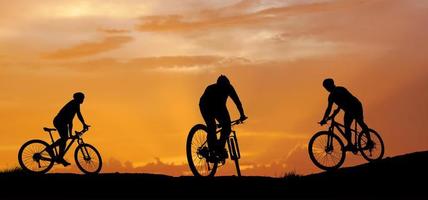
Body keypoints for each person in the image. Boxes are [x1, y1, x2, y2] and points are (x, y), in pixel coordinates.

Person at [199, 75, 247, 162]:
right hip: (205, 105)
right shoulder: (211, 89)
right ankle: (212, 151)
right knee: (212, 126)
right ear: (218, 85)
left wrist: (242, 114)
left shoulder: (229, 88)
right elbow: (209, 108)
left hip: (220, 107)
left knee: (227, 127)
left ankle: (219, 148)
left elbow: (237, 101)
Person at [319, 78, 370, 151]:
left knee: (360, 122)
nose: (326, 89)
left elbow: (344, 101)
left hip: (355, 106)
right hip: (348, 110)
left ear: (331, 85)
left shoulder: (340, 89)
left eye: (327, 87)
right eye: (325, 87)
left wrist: (333, 114)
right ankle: (350, 144)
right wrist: (324, 119)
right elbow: (329, 108)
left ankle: (369, 141)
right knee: (347, 126)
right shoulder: (331, 96)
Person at [53, 92, 89, 166]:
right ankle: (50, 148)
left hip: (62, 122)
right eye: (82, 98)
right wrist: (71, 134)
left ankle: (60, 157)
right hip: (59, 121)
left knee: (64, 139)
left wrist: (84, 124)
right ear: (78, 98)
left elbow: (78, 115)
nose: (83, 100)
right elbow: (70, 121)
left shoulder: (76, 104)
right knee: (64, 138)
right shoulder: (73, 104)